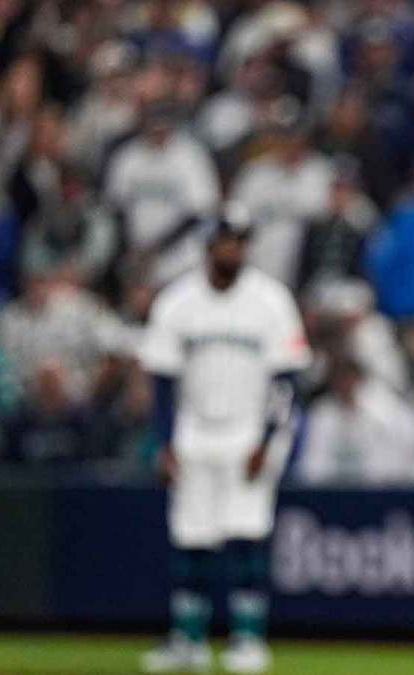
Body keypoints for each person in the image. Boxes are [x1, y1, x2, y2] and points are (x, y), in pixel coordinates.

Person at [138, 204, 311, 674]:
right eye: (224, 242)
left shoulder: (271, 300)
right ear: (208, 246)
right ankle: (188, 641)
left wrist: (269, 439)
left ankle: (248, 641)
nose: (231, 250)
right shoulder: (178, 301)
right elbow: (162, 381)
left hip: (250, 433)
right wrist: (164, 442)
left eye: (238, 242)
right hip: (194, 430)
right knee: (191, 536)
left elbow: (287, 379)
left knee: (246, 534)